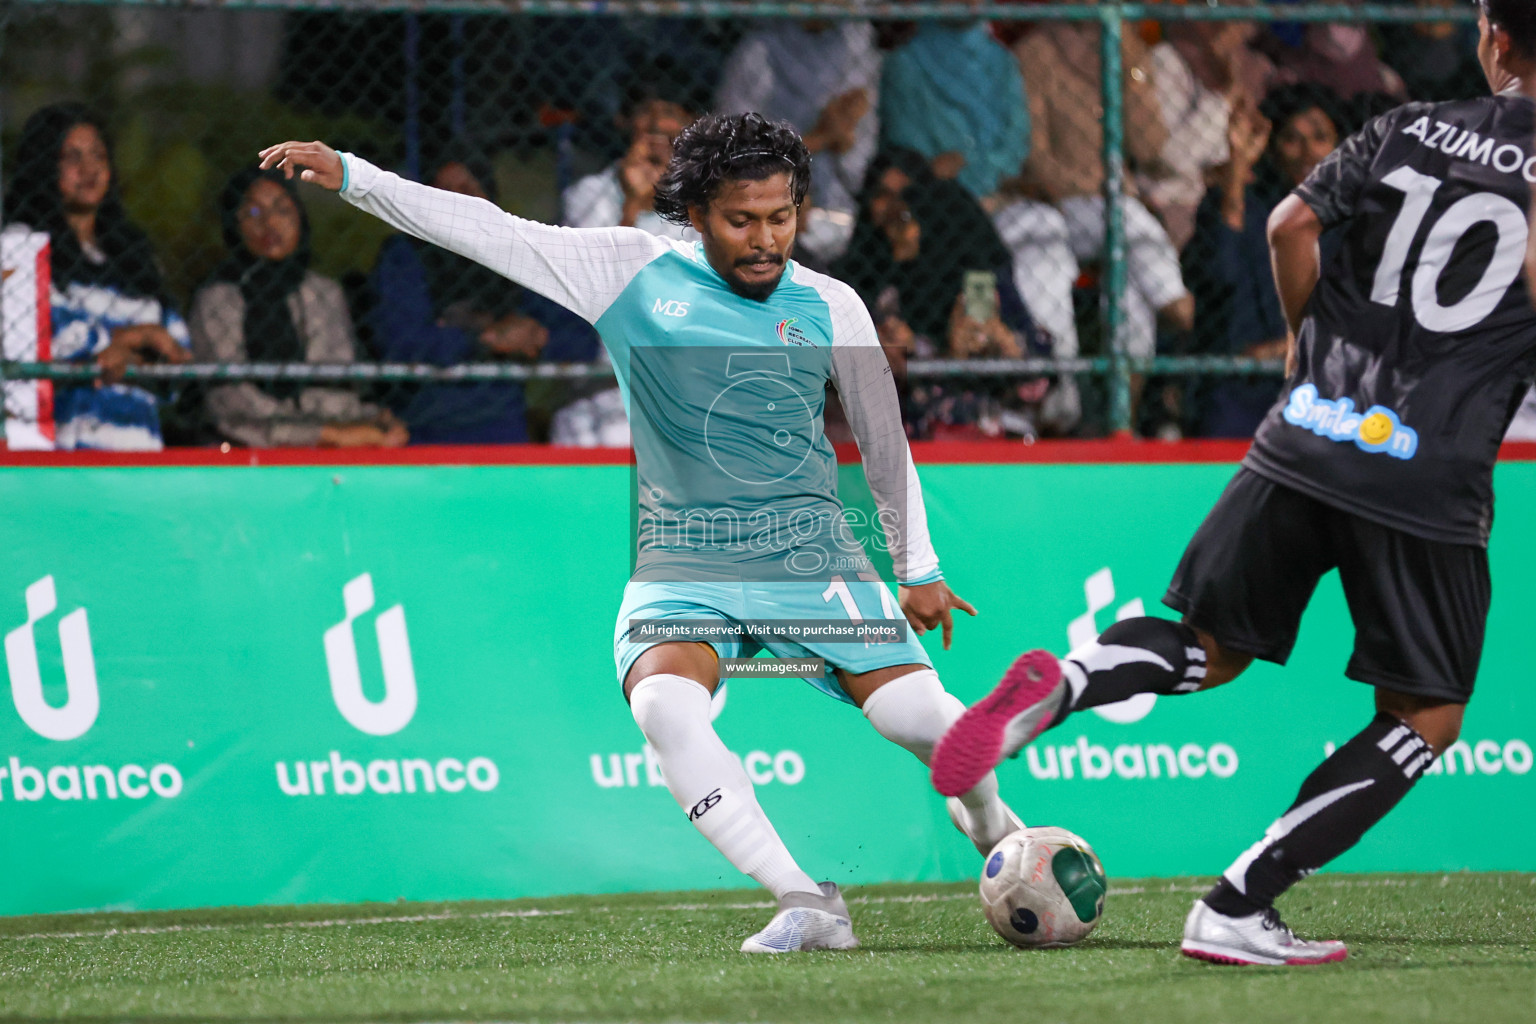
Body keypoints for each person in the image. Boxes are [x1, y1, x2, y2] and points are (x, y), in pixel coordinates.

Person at [259, 112, 1022, 953]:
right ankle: (804, 900)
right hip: (683, 561)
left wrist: (918, 567)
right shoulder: (631, 271)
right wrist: (356, 175)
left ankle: (998, 832)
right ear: (695, 212)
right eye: (742, 220)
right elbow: (488, 231)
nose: (765, 239)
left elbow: (883, 441)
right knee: (664, 705)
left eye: (781, 216)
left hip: (809, 555)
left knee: (923, 719)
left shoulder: (830, 303)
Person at [930, 0, 1536, 967]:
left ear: (1494, 37)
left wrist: (1312, 353)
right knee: (1425, 714)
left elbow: (1291, 224)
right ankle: (1239, 905)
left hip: (1306, 428)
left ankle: (1067, 684)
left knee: (1208, 647)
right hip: (1428, 468)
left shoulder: (1406, 125)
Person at [369, 149, 598, 444]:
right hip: (421, 424)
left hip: (502, 423)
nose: (457, 205)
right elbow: (401, 345)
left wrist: (535, 337)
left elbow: (582, 341)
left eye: (467, 191)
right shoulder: (405, 257)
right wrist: (486, 339)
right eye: (443, 195)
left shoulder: (512, 255)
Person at [5, 103, 191, 450]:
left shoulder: (133, 251)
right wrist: (134, 338)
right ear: (44, 165)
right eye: (71, 157)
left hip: (139, 445)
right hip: (61, 448)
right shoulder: (19, 243)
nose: (89, 168)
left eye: (98, 156)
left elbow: (177, 342)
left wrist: (115, 351)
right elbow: (40, 331)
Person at [834, 149, 1050, 439]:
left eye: (908, 196)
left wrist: (993, 339)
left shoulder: (974, 276)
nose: (897, 209)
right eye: (883, 195)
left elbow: (981, 344)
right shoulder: (861, 274)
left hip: (970, 415)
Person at [190, 166, 405, 449]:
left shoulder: (323, 292)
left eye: (283, 210)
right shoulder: (217, 299)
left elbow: (339, 386)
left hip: (332, 439)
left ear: (300, 218)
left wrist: (375, 419)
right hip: (252, 446)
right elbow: (232, 406)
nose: (270, 223)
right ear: (234, 224)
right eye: (254, 213)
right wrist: (325, 435)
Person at [1182, 84, 1344, 438]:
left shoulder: (1352, 222)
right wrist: (1237, 167)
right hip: (1239, 382)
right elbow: (1219, 274)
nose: (1306, 152)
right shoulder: (1241, 204)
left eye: (1319, 137)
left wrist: (1288, 347)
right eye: (1291, 138)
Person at [715, 17, 882, 265]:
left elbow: (855, 154)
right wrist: (819, 138)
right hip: (762, 205)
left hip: (837, 208)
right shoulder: (759, 50)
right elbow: (733, 154)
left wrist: (841, 139)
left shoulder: (856, 44)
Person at [877, 18, 1030, 201]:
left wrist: (983, 172)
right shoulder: (904, 63)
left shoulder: (1003, 62)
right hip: (935, 199)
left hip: (1002, 196)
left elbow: (1016, 142)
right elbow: (911, 150)